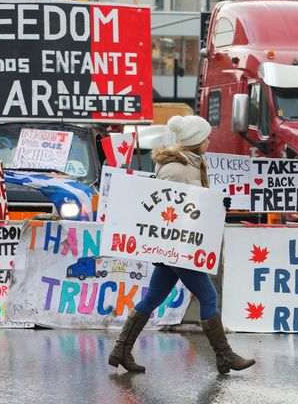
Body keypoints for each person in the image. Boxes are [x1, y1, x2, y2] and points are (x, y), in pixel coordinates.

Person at [108, 115, 255, 374]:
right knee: (208, 295)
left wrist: (217, 205)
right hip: (180, 247)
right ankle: (224, 356)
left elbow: (193, 205)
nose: (210, 141)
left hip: (179, 245)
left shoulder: (190, 164)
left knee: (154, 297)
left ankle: (121, 350)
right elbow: (166, 208)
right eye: (206, 137)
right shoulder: (179, 169)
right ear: (197, 142)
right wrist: (159, 244)